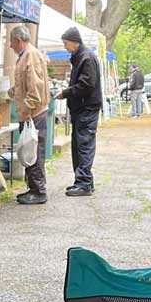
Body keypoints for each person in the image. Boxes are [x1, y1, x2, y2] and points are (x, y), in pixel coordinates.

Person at [54, 27, 101, 197]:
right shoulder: (82, 57)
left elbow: (86, 85)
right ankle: (84, 180)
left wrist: (66, 93)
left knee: (83, 145)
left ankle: (84, 183)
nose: (65, 47)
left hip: (86, 108)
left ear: (75, 42)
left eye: (66, 43)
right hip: (82, 108)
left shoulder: (85, 58)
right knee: (80, 145)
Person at [9, 26, 49, 204]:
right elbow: (27, 82)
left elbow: (35, 88)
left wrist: (26, 110)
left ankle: (38, 191)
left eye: (11, 42)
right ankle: (34, 187)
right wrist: (14, 91)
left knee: (33, 151)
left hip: (33, 113)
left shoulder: (30, 56)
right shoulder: (25, 56)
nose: (10, 46)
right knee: (29, 150)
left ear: (18, 40)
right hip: (31, 113)